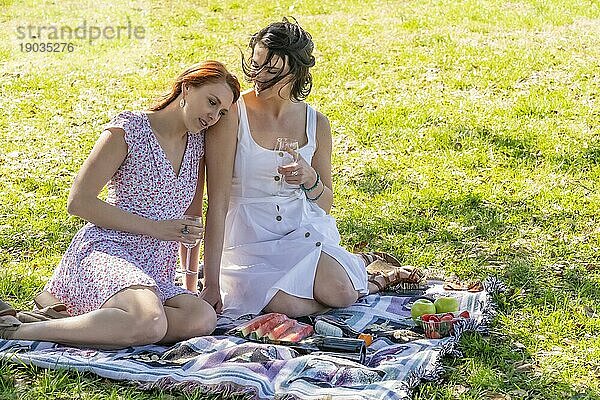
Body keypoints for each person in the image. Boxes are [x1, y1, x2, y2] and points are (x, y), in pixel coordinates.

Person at [0, 61, 241, 348]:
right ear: (187, 88)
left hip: (154, 268)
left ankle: (73, 321)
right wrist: (155, 228)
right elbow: (79, 202)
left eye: (221, 112)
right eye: (211, 103)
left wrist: (193, 278)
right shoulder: (129, 128)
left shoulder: (197, 145)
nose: (213, 116)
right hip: (107, 251)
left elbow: (192, 217)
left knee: (200, 318)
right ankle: (15, 331)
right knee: (150, 322)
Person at [207, 19, 424, 318]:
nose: (259, 77)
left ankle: (362, 272)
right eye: (256, 66)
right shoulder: (232, 114)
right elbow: (216, 204)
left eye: (272, 71)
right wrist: (212, 284)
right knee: (287, 307)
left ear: (296, 73)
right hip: (249, 240)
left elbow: (324, 204)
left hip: (300, 230)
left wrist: (310, 179)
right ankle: (366, 270)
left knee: (341, 293)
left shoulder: (316, 123)